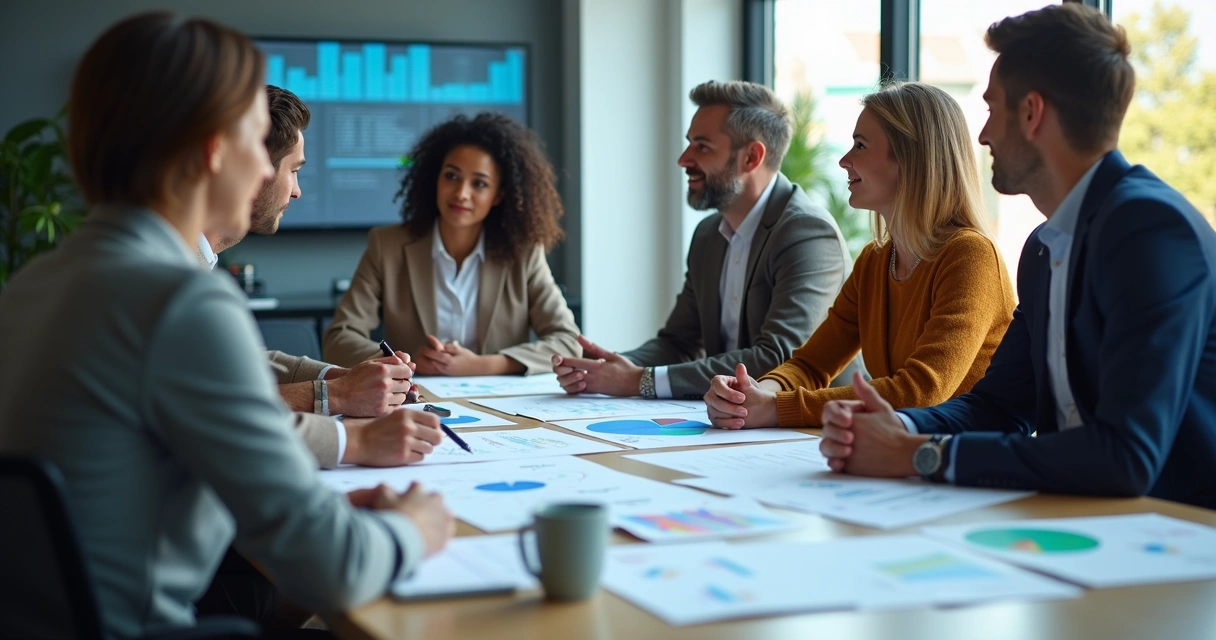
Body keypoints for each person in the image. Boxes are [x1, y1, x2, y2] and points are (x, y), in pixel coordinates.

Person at [0, 13, 454, 638]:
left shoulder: (31, 285)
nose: (267, 171)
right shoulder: (178, 301)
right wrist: (414, 528)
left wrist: (316, 509)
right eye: (252, 139)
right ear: (213, 148)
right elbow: (337, 570)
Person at [817, 4, 1216, 510]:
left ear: (1031, 113)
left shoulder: (1150, 230)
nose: (982, 135)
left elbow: (1125, 457)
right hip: (1084, 518)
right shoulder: (1044, 246)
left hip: (1176, 530)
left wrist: (920, 454)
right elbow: (1000, 408)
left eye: (991, 109)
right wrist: (895, 424)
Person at [703, 82, 1015, 428]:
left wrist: (777, 408)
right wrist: (752, 395)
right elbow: (811, 364)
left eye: (860, 145)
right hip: (901, 448)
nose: (844, 160)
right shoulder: (875, 261)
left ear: (910, 159)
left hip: (961, 454)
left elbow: (921, 391)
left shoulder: (970, 256)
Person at [553, 80, 860, 400]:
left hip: (817, 423)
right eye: (689, 144)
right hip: (731, 417)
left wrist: (639, 380)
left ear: (751, 157)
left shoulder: (807, 234)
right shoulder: (708, 234)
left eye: (702, 147)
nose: (683, 159)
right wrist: (605, 368)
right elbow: (679, 343)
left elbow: (779, 358)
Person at [198, 85, 432, 470]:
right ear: (252, 170)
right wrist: (338, 403)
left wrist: (342, 378)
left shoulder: (195, 260)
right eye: (293, 171)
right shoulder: (170, 277)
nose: (297, 192)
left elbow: (240, 365)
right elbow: (211, 412)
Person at [322, 112, 580, 376]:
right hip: (415, 395)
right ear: (435, 178)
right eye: (451, 176)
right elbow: (338, 338)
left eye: (479, 183)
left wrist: (487, 364)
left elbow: (568, 341)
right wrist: (403, 363)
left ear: (499, 195)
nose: (461, 193)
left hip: (497, 397)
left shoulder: (523, 252)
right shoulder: (387, 246)